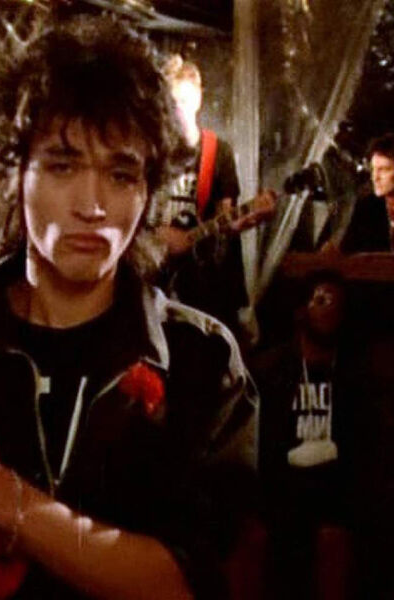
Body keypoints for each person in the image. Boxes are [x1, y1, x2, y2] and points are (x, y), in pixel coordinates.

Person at [0, 17, 258, 600]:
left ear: (148, 191)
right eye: (63, 166)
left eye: (121, 174)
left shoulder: (198, 357)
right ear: (14, 174)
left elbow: (188, 583)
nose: (92, 205)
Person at [252, 271, 357, 600]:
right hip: (280, 486)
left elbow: (360, 448)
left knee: (334, 535)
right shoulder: (272, 369)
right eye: (322, 300)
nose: (330, 310)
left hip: (331, 489)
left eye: (337, 304)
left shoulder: (351, 374)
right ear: (302, 309)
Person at [155, 54, 251, 339]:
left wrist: (237, 222)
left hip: (204, 282)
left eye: (184, 102)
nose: (178, 111)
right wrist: (158, 235)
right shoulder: (155, 152)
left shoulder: (217, 151)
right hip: (157, 275)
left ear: (198, 100)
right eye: (172, 103)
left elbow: (226, 216)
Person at [338, 133, 394, 253]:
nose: (375, 177)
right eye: (373, 169)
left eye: (383, 170)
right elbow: (347, 252)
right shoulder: (367, 208)